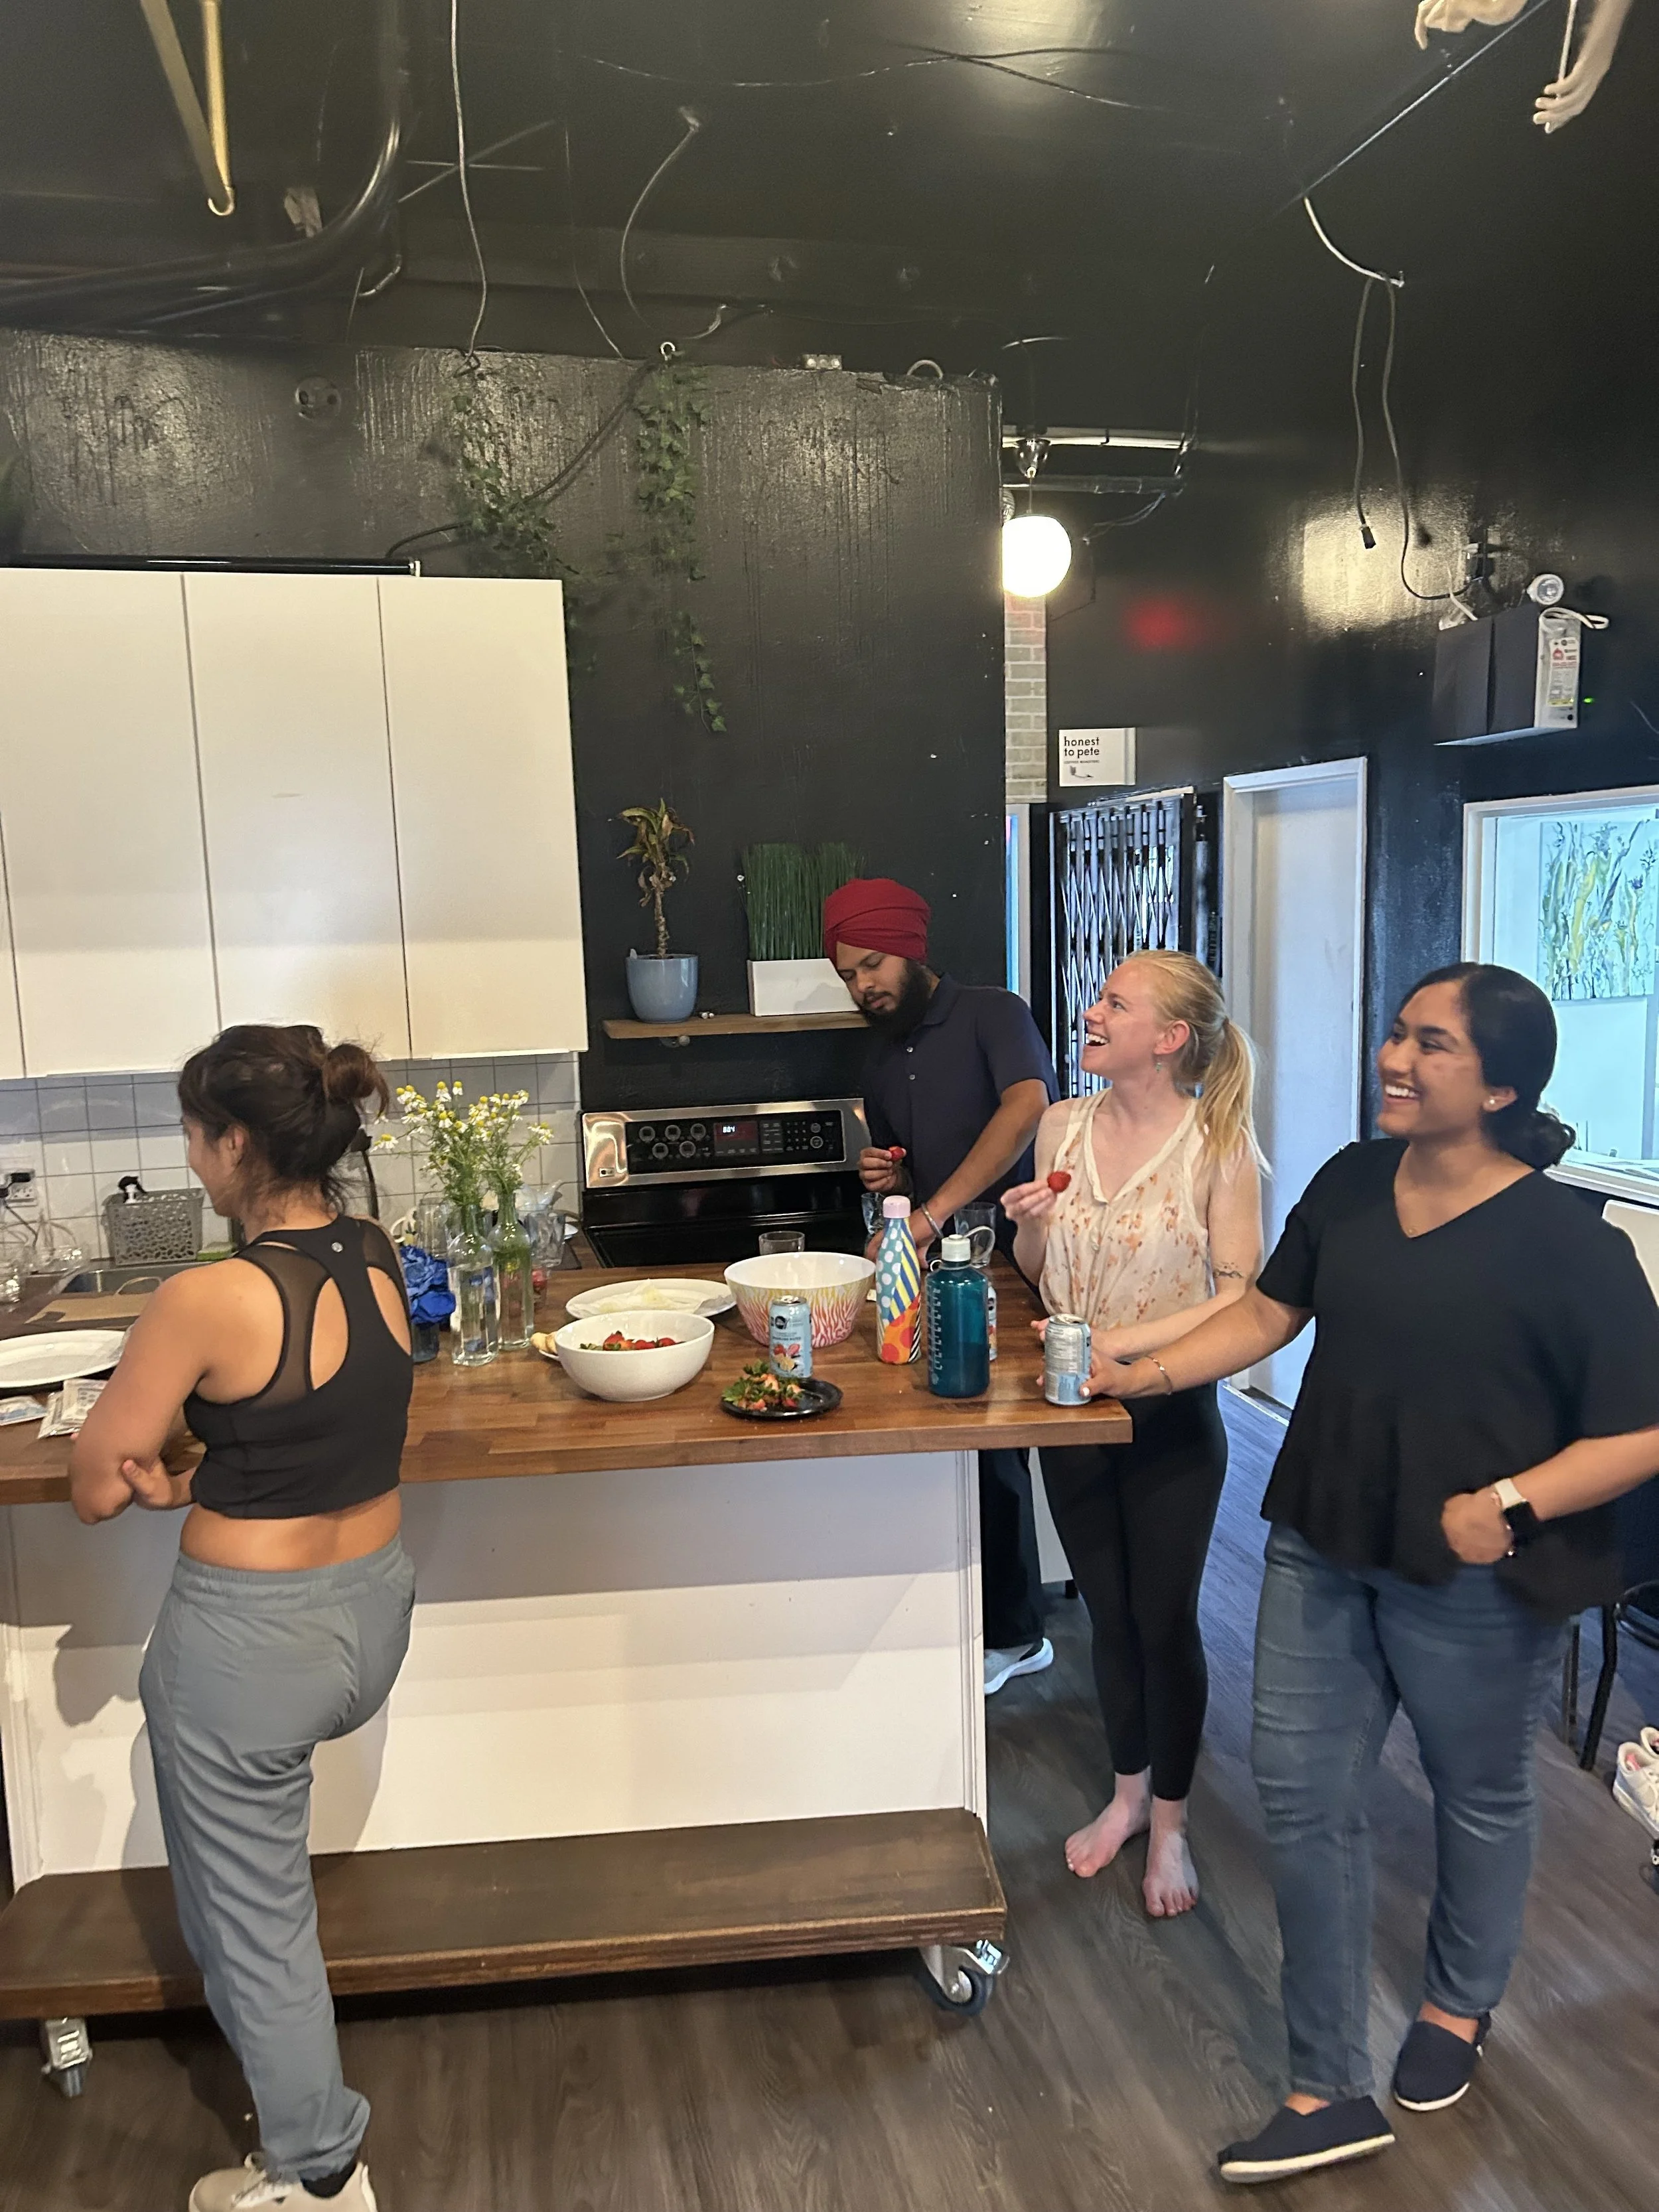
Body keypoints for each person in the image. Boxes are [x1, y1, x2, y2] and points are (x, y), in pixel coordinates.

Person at [1101, 964, 1659, 2184]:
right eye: (1399, 1032)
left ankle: (1458, 2004)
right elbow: (1265, 1316)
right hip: (1320, 1531)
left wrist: (1509, 1502)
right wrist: (1138, 1375)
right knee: (1303, 1799)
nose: (1395, 1057)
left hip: (1471, 1573)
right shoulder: (1354, 1181)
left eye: (1433, 1044)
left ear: (1503, 1085)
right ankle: (1324, 2086)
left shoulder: (1571, 1244)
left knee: (1479, 1794)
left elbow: (1642, 1429)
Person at [70, 1025, 415, 2212]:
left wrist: (150, 1458)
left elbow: (97, 1475)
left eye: (192, 1133)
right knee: (259, 1904)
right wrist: (201, 1461)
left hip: (250, 1644)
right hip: (369, 1613)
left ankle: (317, 2175)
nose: (190, 1155)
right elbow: (302, 1431)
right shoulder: (374, 1252)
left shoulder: (204, 1295)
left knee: (253, 1918)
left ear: (231, 1144)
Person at [1001, 951, 1264, 1917]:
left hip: (1169, 1413)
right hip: (1073, 1410)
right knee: (1108, 1614)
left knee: (1164, 1618)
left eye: (1116, 1001)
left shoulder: (1219, 1143)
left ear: (1169, 1038)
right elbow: (1039, 1272)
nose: (1091, 1010)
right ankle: (1123, 1798)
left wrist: (1123, 1346)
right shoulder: (1060, 1125)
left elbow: (1238, 1297)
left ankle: (1170, 1824)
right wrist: (1024, 1225)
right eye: (1098, 996)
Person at [825, 874, 1058, 1694]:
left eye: (871, 966)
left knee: (994, 1448)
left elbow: (1026, 1106)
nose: (862, 985)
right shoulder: (880, 1054)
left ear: (910, 947)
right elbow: (895, 1167)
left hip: (1005, 1257)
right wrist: (880, 1176)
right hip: (926, 1264)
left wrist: (932, 1214)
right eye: (849, 975)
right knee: (940, 1445)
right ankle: (962, 1619)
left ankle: (1018, 1634)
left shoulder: (994, 1012)